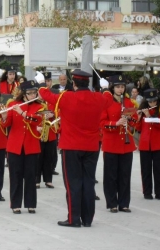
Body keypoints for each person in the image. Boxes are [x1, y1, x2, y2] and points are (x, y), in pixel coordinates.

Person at [39, 69, 112, 227]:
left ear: (74, 83)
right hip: (92, 146)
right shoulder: (98, 98)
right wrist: (106, 88)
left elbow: (47, 96)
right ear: (88, 83)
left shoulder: (67, 97)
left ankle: (74, 218)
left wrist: (40, 85)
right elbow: (108, 98)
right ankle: (87, 219)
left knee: (73, 183)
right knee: (88, 182)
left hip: (71, 145)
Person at [1, 80, 43, 214]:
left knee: (30, 176)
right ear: (24, 94)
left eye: (34, 93)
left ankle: (31, 204)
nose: (32, 95)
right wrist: (3, 117)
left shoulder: (39, 106)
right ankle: (15, 204)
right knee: (15, 175)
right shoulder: (13, 104)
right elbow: (7, 124)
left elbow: (38, 120)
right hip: (15, 145)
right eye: (30, 93)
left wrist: (23, 113)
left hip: (31, 145)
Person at [101, 75, 138, 213]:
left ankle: (124, 203)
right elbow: (102, 123)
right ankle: (112, 203)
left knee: (124, 175)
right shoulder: (107, 102)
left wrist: (130, 118)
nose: (120, 89)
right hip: (111, 143)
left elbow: (135, 122)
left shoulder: (129, 102)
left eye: (122, 87)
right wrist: (115, 123)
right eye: (117, 87)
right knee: (111, 175)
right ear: (112, 88)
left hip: (126, 144)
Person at [136, 88, 160, 200]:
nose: (152, 103)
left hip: (158, 143)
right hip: (145, 143)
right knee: (145, 169)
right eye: (150, 102)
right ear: (146, 101)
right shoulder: (143, 109)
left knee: (159, 169)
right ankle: (147, 192)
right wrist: (139, 117)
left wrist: (149, 116)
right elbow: (138, 128)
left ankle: (159, 192)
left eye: (154, 101)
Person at [36, 72, 58, 188]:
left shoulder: (53, 97)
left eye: (49, 81)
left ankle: (48, 179)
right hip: (38, 132)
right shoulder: (36, 99)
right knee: (38, 157)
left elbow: (59, 112)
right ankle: (37, 180)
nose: (47, 83)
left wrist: (53, 115)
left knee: (49, 156)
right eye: (46, 81)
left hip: (51, 131)